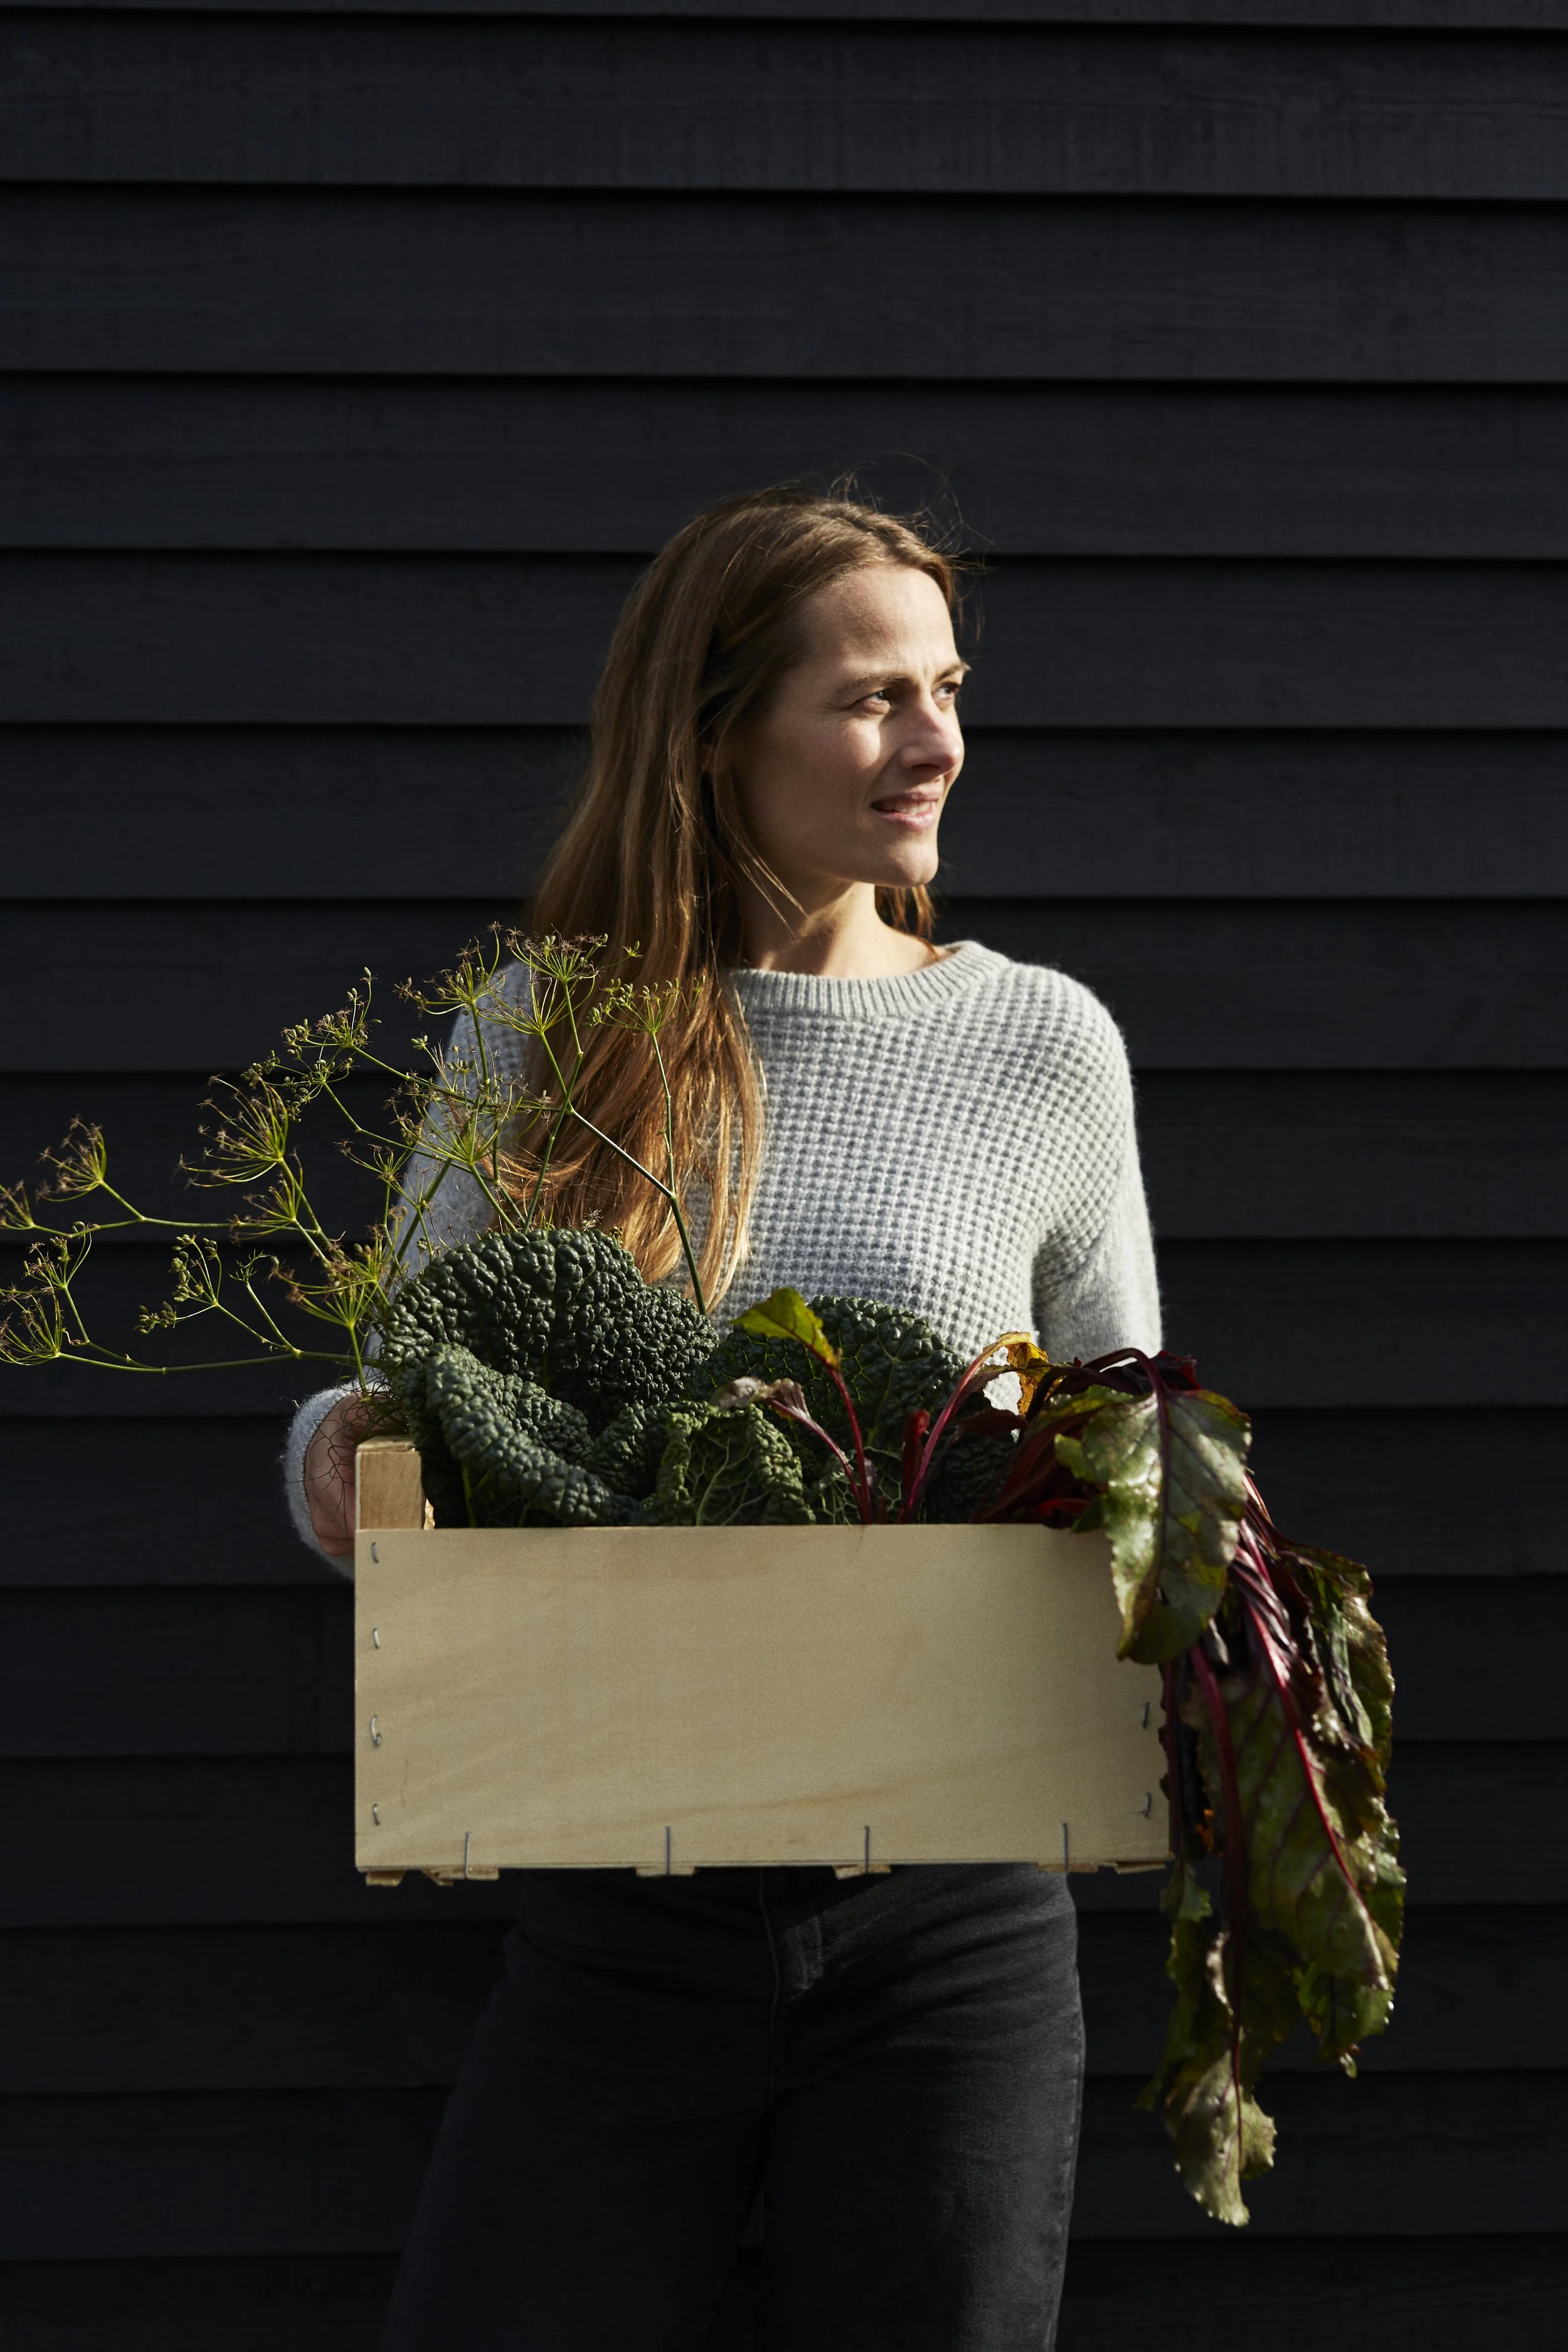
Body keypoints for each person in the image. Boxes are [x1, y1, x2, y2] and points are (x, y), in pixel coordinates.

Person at [282, 485, 1160, 2350]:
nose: (934, 740)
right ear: (711, 726)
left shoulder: (1042, 1045)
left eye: (944, 685)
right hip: (617, 1902)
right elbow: (390, 1389)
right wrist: (344, 1459)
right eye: (867, 698)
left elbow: (1123, 1430)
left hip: (952, 1914)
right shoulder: (542, 1028)